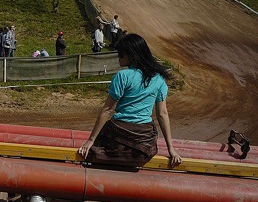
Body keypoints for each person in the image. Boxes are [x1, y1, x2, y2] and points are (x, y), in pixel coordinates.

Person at [78, 33, 182, 168]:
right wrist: (171, 148)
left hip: (117, 136)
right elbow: (162, 114)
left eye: (121, 54)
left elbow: (108, 110)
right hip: (144, 142)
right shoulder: (159, 79)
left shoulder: (122, 76)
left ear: (132, 56)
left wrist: (90, 140)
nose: (118, 57)